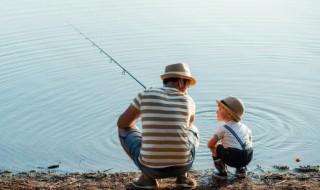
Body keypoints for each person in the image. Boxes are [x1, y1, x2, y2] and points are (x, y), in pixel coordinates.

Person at [117, 63, 199, 189]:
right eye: (188, 84)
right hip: (184, 165)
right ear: (181, 83)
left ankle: (147, 179)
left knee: (123, 129)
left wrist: (144, 121)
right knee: (193, 130)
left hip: (151, 169)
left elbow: (122, 123)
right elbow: (187, 126)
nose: (187, 88)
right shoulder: (189, 101)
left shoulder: (145, 94)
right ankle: (183, 177)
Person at [207, 97, 253, 180]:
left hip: (234, 158)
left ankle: (221, 172)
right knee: (240, 146)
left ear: (229, 114)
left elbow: (210, 144)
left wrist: (216, 148)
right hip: (248, 157)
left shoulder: (224, 128)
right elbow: (249, 142)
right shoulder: (245, 127)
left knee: (216, 147)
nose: (217, 111)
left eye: (220, 109)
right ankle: (241, 170)